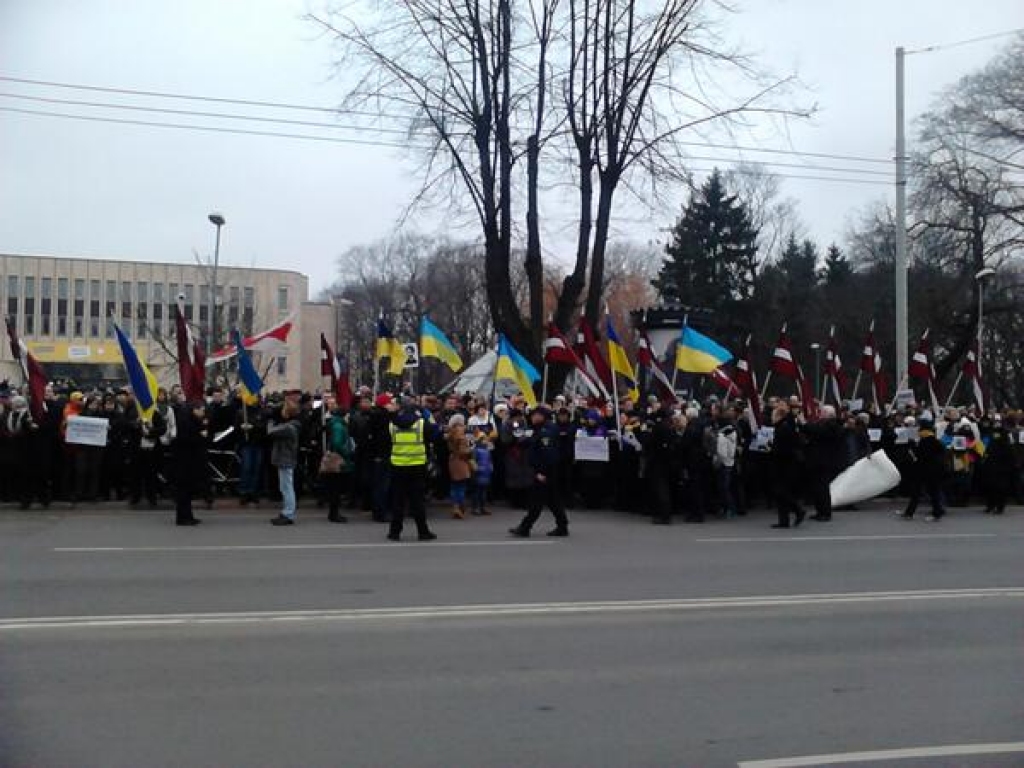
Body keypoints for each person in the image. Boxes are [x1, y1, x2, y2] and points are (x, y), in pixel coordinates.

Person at [509, 406, 570, 538]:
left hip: (545, 470)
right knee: (553, 500)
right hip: (545, 470)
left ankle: (525, 527)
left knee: (536, 501)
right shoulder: (539, 429)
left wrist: (542, 472)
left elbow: (548, 454)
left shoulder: (546, 431)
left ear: (542, 416)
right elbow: (532, 443)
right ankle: (562, 526)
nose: (532, 417)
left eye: (535, 415)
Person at [387, 396, 438, 542]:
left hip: (398, 465)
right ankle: (423, 532)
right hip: (417, 466)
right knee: (417, 501)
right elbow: (435, 434)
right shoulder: (421, 424)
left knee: (398, 501)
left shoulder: (392, 424)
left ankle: (394, 532)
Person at [900, 419, 947, 522]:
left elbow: (921, 455)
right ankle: (909, 512)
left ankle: (936, 514)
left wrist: (912, 446)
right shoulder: (932, 439)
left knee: (928, 492)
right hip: (930, 470)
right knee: (924, 491)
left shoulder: (927, 440)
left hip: (927, 470)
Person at [771, 401, 807, 529]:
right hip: (784, 462)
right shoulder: (783, 425)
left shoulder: (785, 426)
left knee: (781, 491)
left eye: (774, 415)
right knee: (781, 492)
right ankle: (784, 520)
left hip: (785, 463)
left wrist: (774, 450)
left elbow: (786, 446)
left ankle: (798, 510)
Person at [171, 400, 206, 526]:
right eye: (201, 410)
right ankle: (182, 518)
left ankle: (189, 516)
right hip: (184, 463)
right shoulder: (186, 422)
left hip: (189, 462)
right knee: (183, 491)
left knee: (187, 491)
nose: (203, 413)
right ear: (194, 410)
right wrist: (200, 435)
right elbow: (187, 440)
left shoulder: (193, 420)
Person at [267, 403, 302, 525]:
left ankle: (288, 514)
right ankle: (286, 511)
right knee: (284, 487)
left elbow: (270, 432)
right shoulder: (290, 425)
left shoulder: (289, 427)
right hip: (285, 459)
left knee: (287, 488)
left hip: (285, 459)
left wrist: (270, 420)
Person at [322, 397, 355, 523]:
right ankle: (334, 513)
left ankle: (333, 513)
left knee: (334, 487)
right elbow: (337, 443)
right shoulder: (339, 426)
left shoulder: (335, 424)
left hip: (334, 458)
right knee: (336, 488)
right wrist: (347, 452)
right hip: (338, 459)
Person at [446, 414, 473, 519]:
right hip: (461, 461)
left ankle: (455, 507)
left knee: (454, 485)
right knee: (461, 486)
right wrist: (470, 450)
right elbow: (463, 451)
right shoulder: (461, 436)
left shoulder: (450, 434)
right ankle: (460, 507)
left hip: (452, 460)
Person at [470, 431, 494, 516]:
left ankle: (483, 507)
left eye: (486, 439)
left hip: (486, 473)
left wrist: (491, 466)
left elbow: (489, 460)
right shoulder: (476, 450)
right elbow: (472, 460)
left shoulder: (487, 450)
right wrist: (476, 468)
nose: (486, 441)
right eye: (484, 439)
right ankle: (475, 508)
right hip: (478, 474)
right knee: (477, 492)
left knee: (484, 492)